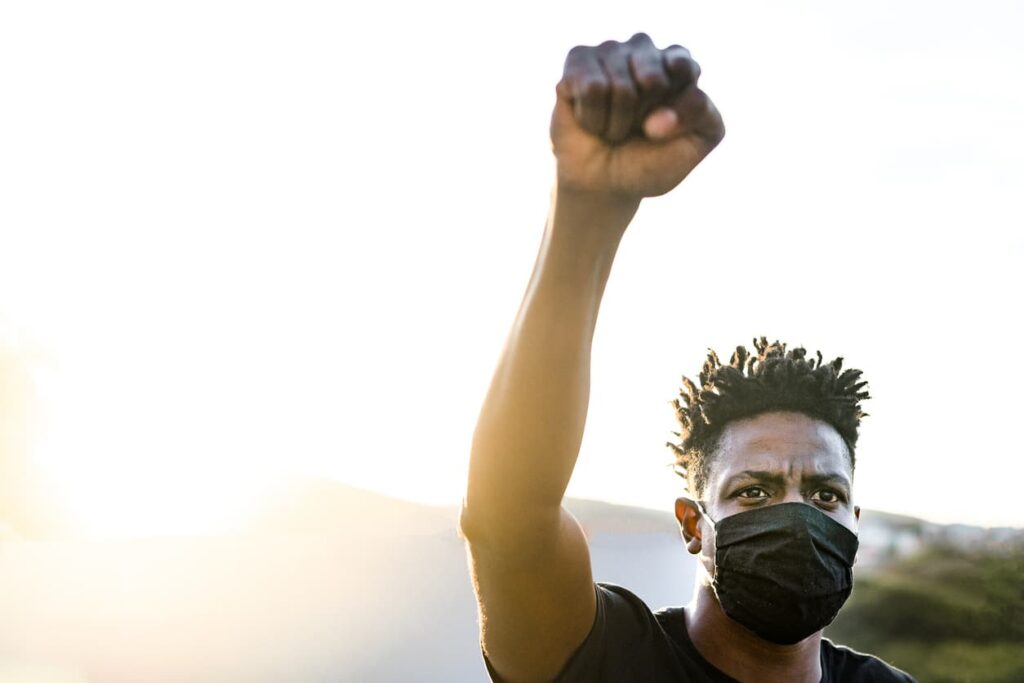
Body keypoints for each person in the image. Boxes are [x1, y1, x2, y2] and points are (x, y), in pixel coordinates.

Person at [460, 33, 916, 683]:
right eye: (753, 490)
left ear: (855, 524)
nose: (798, 517)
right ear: (691, 523)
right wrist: (591, 206)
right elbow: (508, 516)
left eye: (825, 492)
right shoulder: (610, 659)